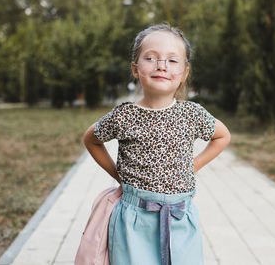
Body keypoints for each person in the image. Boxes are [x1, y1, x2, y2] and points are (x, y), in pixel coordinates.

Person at [83, 24, 231, 265]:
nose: (161, 65)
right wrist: (118, 174)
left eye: (172, 61)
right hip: (133, 221)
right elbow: (91, 139)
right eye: (151, 58)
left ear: (184, 73)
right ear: (135, 68)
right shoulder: (124, 116)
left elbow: (222, 136)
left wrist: (193, 166)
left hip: (180, 217)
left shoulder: (192, 114)